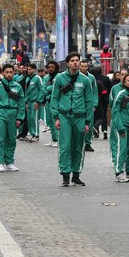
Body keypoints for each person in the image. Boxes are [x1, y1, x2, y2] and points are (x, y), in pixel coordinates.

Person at [50, 53, 98, 187]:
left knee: (78, 147)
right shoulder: (60, 79)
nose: (75, 63)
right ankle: (65, 175)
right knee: (65, 146)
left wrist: (88, 121)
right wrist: (56, 117)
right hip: (64, 116)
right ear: (68, 63)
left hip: (80, 117)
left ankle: (76, 174)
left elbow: (89, 101)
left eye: (77, 60)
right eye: (73, 61)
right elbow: (54, 98)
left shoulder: (85, 80)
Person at [0, 63, 24, 173]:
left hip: (13, 112)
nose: (9, 74)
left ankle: (9, 162)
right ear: (3, 73)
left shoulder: (18, 87)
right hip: (0, 112)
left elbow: (21, 103)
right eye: (7, 72)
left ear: (14, 73)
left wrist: (19, 118)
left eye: (11, 72)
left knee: (11, 138)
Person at [20, 62, 44, 143]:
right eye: (28, 69)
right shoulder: (27, 79)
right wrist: (26, 102)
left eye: (30, 69)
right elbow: (26, 92)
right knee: (29, 119)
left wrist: (38, 101)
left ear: (34, 69)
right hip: (29, 102)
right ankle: (32, 134)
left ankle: (36, 135)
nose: (28, 71)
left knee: (35, 118)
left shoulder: (37, 78)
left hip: (35, 102)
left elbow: (42, 90)